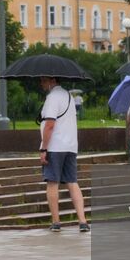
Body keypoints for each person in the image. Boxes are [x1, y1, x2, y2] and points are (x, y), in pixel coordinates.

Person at [39, 76, 89, 233]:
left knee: (52, 182)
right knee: (72, 182)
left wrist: (43, 148)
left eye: (43, 80)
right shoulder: (68, 96)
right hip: (70, 146)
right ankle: (82, 221)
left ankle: (56, 222)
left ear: (51, 80)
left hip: (55, 146)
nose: (41, 83)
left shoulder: (52, 97)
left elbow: (50, 125)